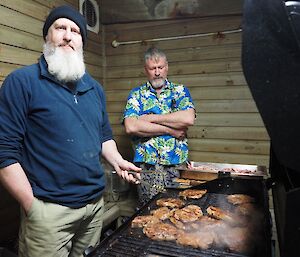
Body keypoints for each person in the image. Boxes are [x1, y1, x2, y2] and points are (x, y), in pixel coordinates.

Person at [0, 5, 140, 257]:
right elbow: (4, 151)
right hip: (49, 214)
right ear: (47, 36)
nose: (67, 35)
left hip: (94, 207)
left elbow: (104, 136)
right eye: (60, 27)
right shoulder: (22, 82)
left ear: (81, 42)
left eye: (75, 31)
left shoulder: (94, 88)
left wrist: (118, 161)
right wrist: (32, 207)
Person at [123, 47, 195, 204]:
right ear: (145, 70)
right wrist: (171, 129)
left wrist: (150, 118)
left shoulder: (180, 91)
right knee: (148, 211)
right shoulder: (136, 94)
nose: (157, 72)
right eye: (152, 68)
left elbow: (188, 118)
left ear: (167, 67)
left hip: (176, 165)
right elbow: (131, 127)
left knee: (180, 208)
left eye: (160, 67)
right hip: (147, 168)